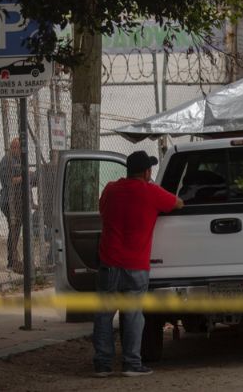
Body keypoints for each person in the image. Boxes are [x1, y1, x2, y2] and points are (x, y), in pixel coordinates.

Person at [93, 150, 184, 377]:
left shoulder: (110, 190)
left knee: (104, 315)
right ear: (147, 171)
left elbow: (102, 210)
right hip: (136, 265)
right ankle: (131, 364)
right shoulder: (151, 192)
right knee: (133, 315)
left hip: (109, 263)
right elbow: (178, 203)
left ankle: (102, 365)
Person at [0, 137, 23, 272]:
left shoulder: (18, 160)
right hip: (9, 201)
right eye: (16, 148)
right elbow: (9, 181)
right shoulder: (6, 161)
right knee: (13, 229)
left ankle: (14, 258)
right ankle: (11, 260)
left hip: (18, 201)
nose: (18, 151)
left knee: (16, 229)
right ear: (13, 148)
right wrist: (24, 177)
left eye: (19, 148)